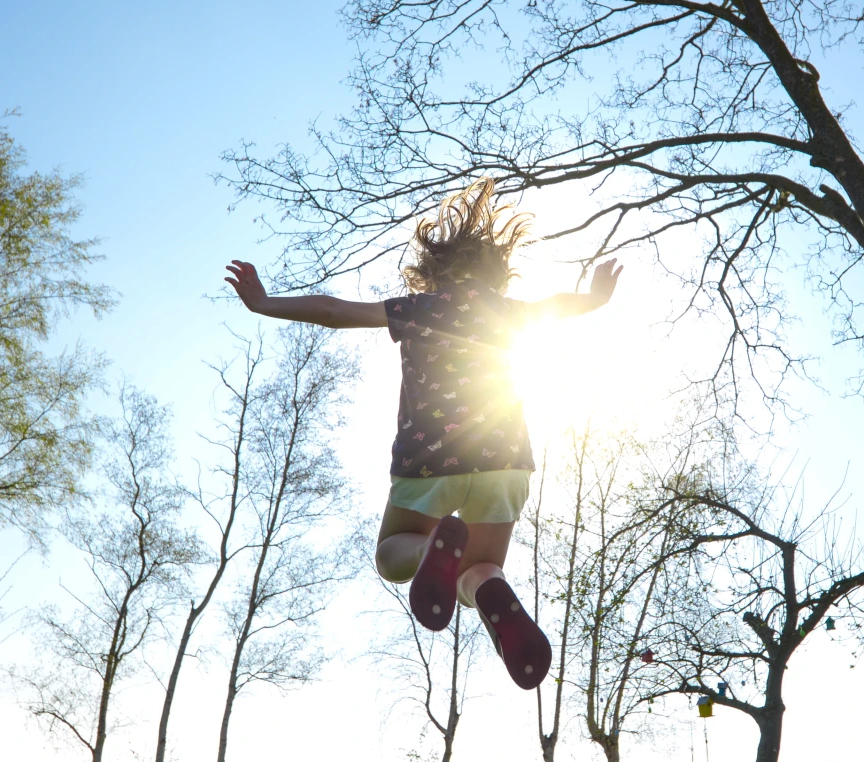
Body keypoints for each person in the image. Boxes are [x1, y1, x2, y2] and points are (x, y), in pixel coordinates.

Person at [224, 178, 621, 690]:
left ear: (434, 271)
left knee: (392, 552)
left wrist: (264, 303)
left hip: (429, 461)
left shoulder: (418, 309)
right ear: (496, 272)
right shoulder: (510, 312)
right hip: (506, 464)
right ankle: (487, 591)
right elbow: (557, 306)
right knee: (479, 574)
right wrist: (595, 299)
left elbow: (333, 312)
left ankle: (434, 541)